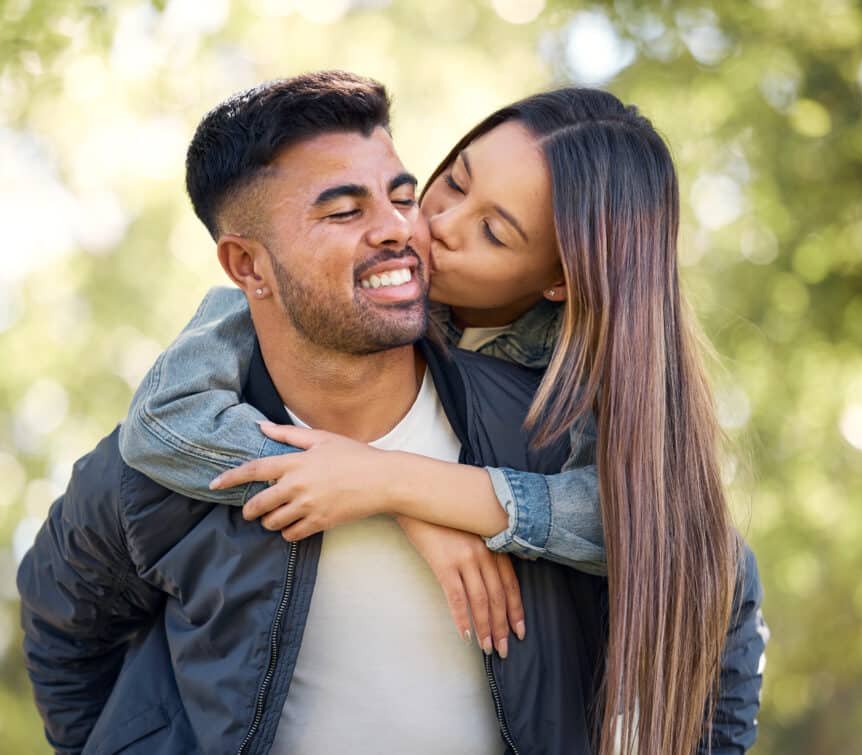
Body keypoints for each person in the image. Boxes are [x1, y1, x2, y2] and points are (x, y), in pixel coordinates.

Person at [118, 80, 767, 753]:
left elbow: (646, 527)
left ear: (560, 279)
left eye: (492, 231)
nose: (436, 226)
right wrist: (387, 496)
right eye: (453, 183)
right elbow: (165, 422)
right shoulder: (312, 293)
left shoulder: (584, 383)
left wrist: (396, 481)